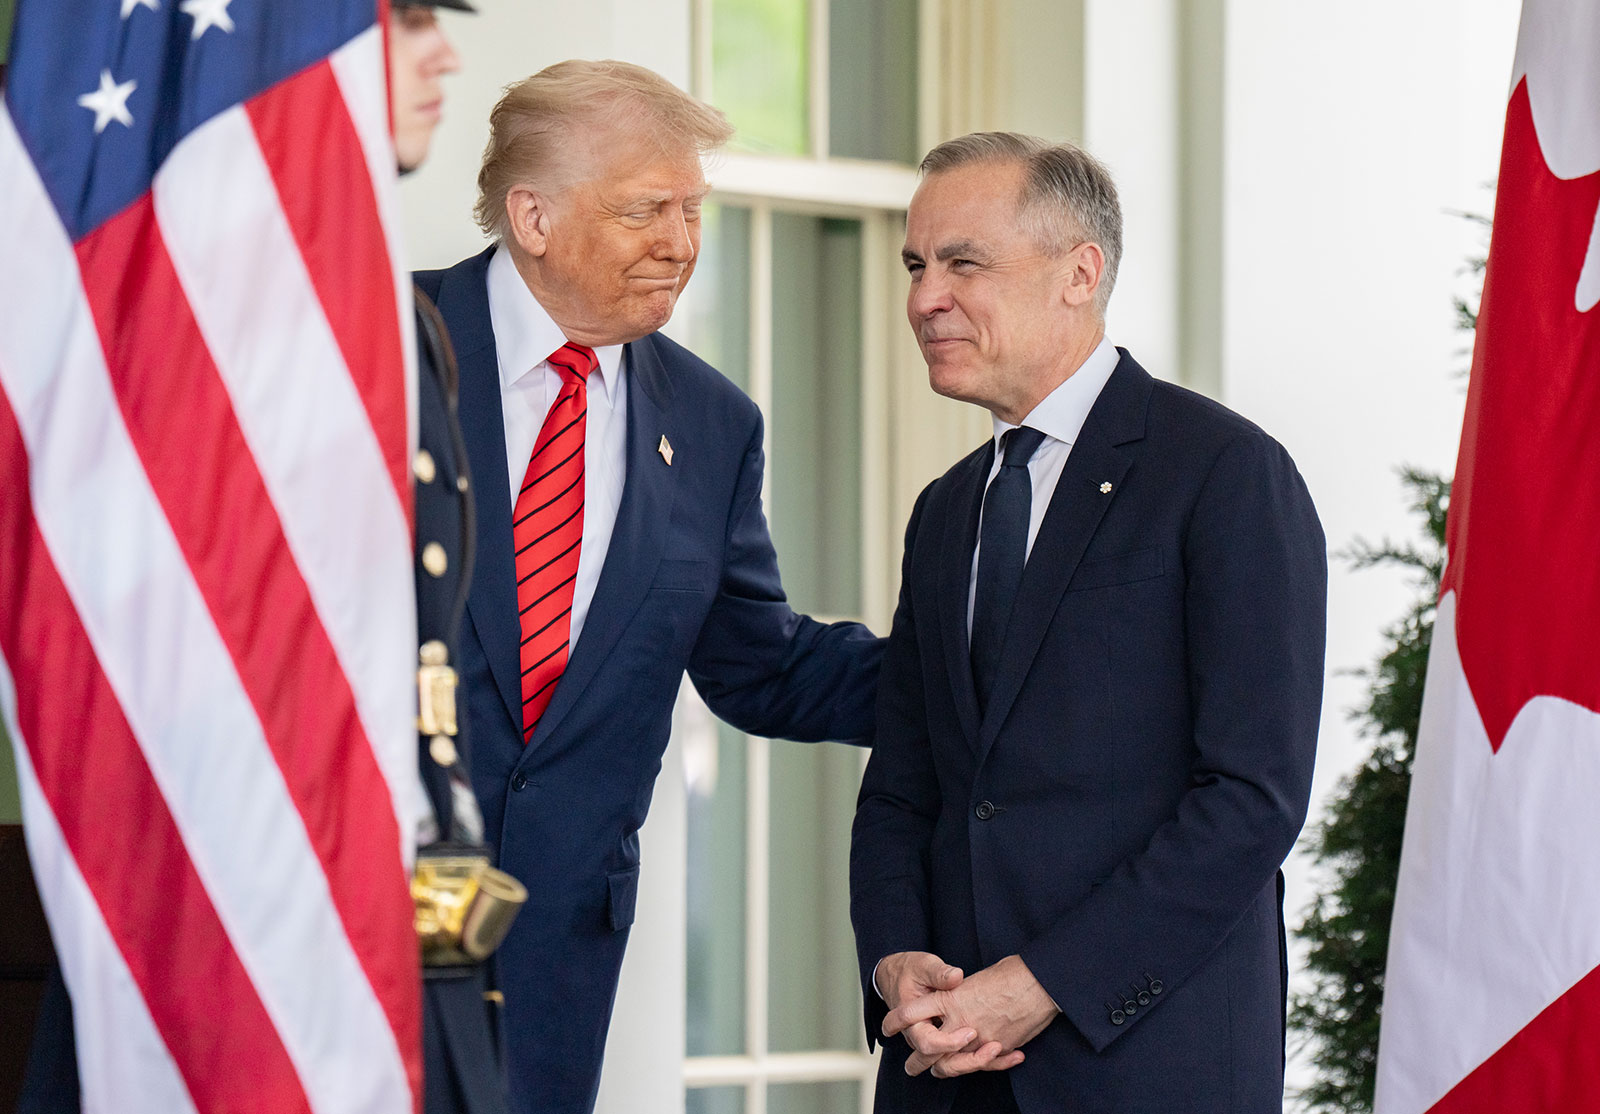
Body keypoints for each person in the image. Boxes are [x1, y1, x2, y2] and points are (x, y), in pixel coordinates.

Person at [15, 5, 512, 1113]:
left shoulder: (385, 314)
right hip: (236, 921)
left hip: (395, 917)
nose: (446, 55)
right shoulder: (202, 321)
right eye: (410, 20)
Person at [415, 60, 883, 1114]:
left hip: (553, 954)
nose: (680, 241)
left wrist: (985, 672)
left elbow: (762, 667)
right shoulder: (370, 351)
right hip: (348, 923)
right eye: (646, 210)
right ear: (531, 215)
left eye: (690, 209)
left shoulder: (713, 423)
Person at [849, 132, 1326, 1114]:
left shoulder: (1225, 476)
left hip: (1144, 1067)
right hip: (945, 1074)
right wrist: (895, 960)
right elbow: (904, 786)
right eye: (915, 264)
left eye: (961, 262)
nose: (922, 298)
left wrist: (1041, 984)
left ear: (1080, 273)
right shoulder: (946, 510)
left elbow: (1249, 797)